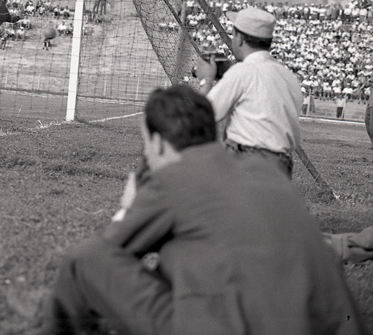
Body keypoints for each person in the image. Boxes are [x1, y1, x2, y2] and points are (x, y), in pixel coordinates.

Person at [43, 85, 363, 335]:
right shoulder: (264, 171)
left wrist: (127, 209)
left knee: (85, 259)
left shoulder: (173, 178)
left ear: (158, 143)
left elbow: (110, 250)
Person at [195, 6, 302, 178]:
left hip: (247, 161)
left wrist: (206, 80)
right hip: (282, 165)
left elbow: (201, 116)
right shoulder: (288, 76)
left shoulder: (242, 71)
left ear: (239, 38)